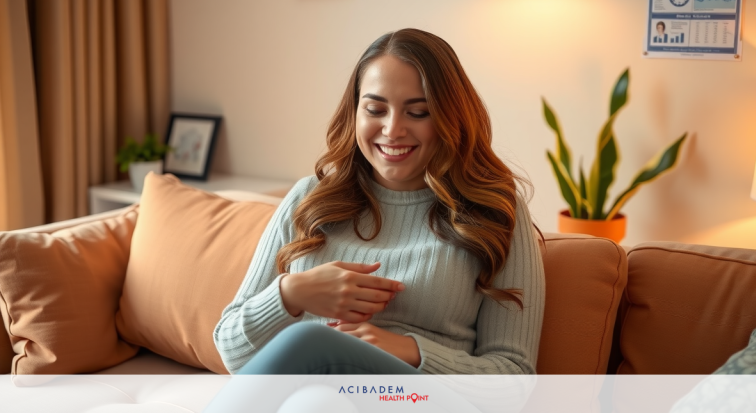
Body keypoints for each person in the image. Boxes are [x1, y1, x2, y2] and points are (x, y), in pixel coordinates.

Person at [211, 29, 545, 379]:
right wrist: (292, 293)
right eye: (375, 109)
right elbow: (232, 354)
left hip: (418, 399)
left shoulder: (493, 212)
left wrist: (406, 350)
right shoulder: (309, 198)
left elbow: (514, 376)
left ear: (451, 118)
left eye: (418, 112)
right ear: (355, 112)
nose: (393, 129)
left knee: (314, 344)